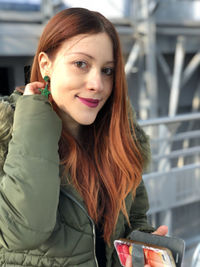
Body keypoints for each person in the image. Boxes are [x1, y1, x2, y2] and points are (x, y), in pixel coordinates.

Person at [0, 7, 168, 267]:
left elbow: (134, 221)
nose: (97, 84)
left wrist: (143, 251)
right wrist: (34, 115)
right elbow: (23, 231)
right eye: (81, 64)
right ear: (46, 64)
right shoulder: (6, 137)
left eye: (107, 70)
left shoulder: (118, 139)